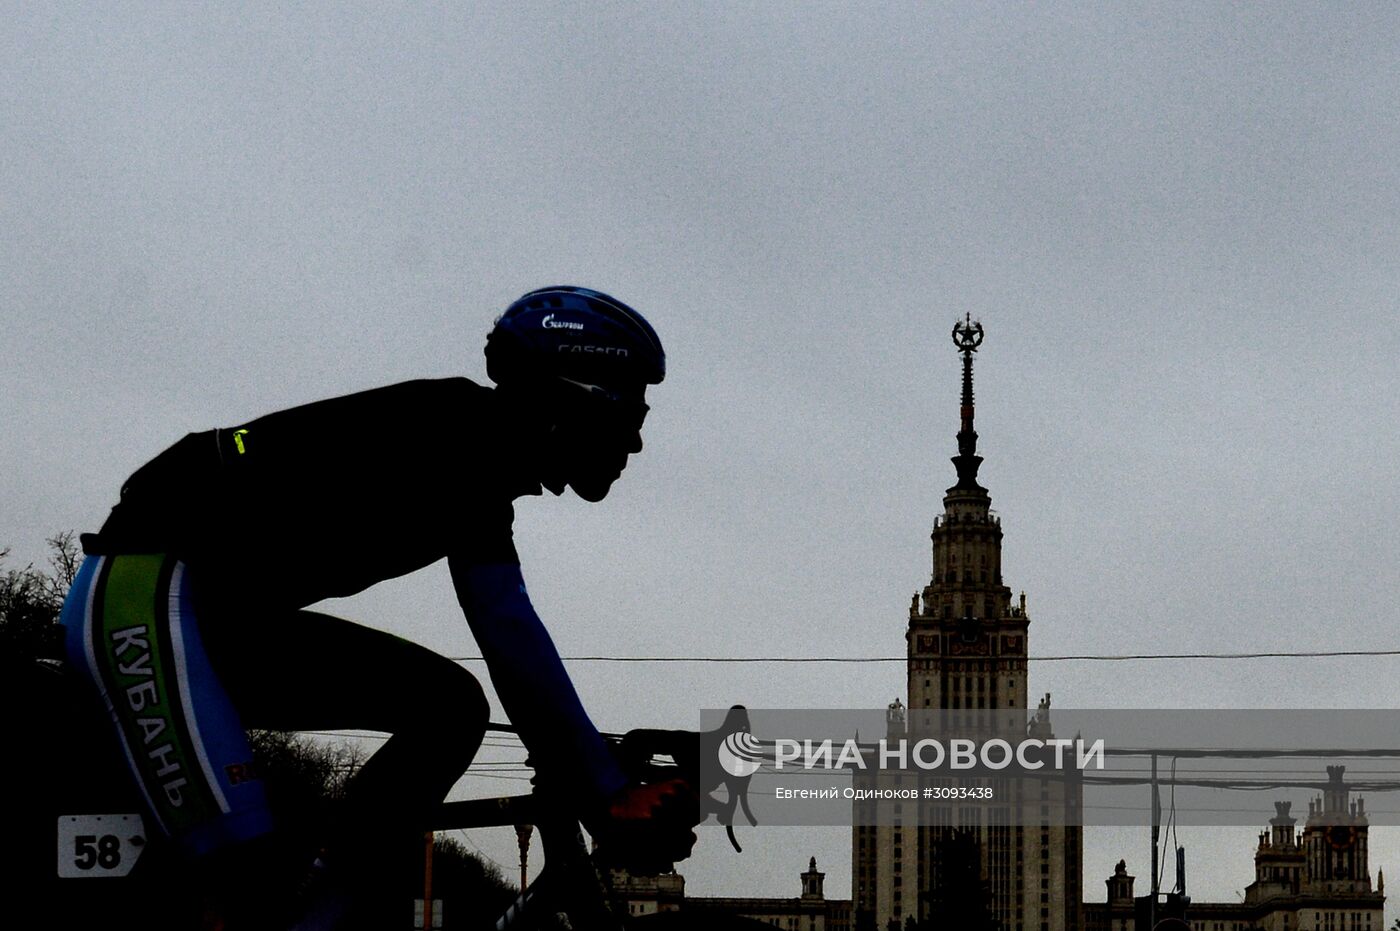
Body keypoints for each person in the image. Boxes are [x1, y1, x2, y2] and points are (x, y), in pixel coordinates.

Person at [59, 286, 696, 929]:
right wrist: (608, 788)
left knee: (449, 709)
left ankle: (318, 908)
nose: (638, 441)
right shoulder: (459, 431)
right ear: (579, 394)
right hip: (141, 596)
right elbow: (510, 636)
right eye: (635, 411)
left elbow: (514, 642)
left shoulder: (476, 464)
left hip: (222, 626)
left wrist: (634, 772)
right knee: (244, 880)